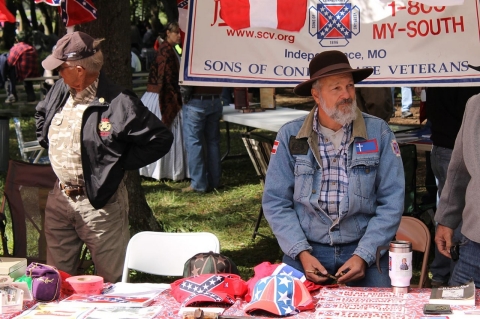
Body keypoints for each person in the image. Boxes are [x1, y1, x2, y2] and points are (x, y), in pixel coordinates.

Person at [35, 31, 174, 283]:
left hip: (100, 204)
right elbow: (41, 114)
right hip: (60, 199)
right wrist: (48, 139)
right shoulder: (60, 89)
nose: (57, 74)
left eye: (60, 69)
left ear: (79, 70)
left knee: (109, 282)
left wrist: (117, 163)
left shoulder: (119, 102)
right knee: (56, 280)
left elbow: (159, 139)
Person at [262, 50, 405, 287]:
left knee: (381, 310)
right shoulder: (291, 135)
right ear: (316, 95)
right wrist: (301, 253)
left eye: (349, 86)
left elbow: (392, 201)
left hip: (363, 247)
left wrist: (364, 255)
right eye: (336, 88)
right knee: (286, 307)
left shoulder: (378, 132)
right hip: (307, 249)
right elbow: (276, 201)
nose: (347, 95)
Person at [427, 86, 480, 287]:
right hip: (475, 242)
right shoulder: (475, 104)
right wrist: (447, 220)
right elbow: (459, 169)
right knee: (454, 311)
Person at [139, 22, 188, 181]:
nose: (179, 36)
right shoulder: (166, 52)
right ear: (168, 33)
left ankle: (163, 170)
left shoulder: (170, 50)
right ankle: (163, 171)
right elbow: (166, 82)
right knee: (165, 133)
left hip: (160, 95)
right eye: (176, 33)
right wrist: (173, 101)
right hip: (161, 97)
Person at [182, 83, 223, 192]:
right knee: (213, 142)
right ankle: (215, 181)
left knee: (194, 143)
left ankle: (198, 184)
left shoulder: (193, 64)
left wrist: (183, 96)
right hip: (216, 99)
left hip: (196, 101)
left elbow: (186, 79)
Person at [5, 31, 40, 103]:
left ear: (17, 40)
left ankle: (12, 94)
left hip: (21, 73)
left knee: (9, 72)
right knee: (28, 82)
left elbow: (10, 62)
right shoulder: (31, 48)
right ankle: (31, 96)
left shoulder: (16, 48)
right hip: (33, 72)